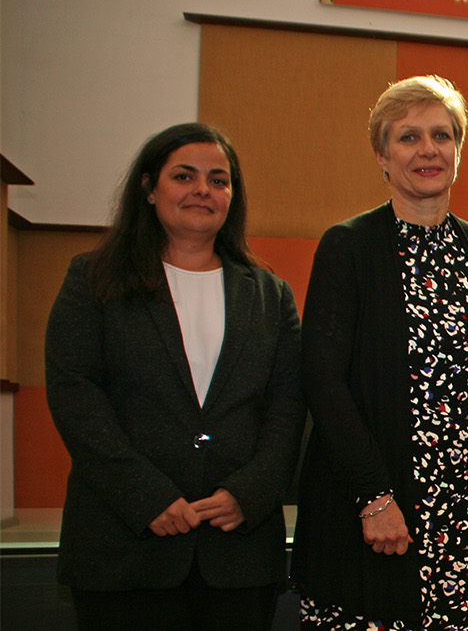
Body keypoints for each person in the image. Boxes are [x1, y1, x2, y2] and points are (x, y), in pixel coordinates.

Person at [44, 123, 303, 630]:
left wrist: (249, 493)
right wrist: (146, 496)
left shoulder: (271, 296)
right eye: (184, 176)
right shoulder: (93, 278)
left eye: (218, 179)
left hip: (238, 555)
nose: (202, 189)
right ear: (149, 188)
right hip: (124, 547)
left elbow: (289, 406)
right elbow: (75, 395)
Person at [291, 76, 468, 628]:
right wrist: (374, 496)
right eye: (409, 137)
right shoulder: (348, 246)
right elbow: (322, 380)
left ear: (458, 151)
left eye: (442, 135)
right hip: (379, 507)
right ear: (382, 157)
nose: (428, 150)